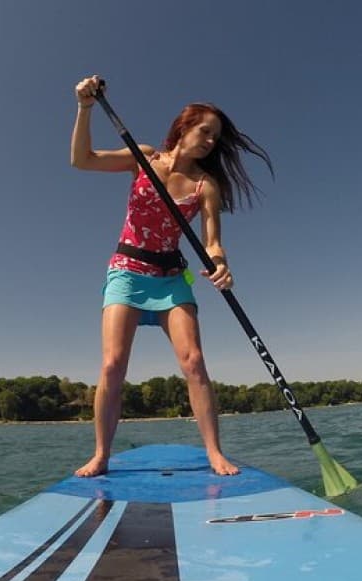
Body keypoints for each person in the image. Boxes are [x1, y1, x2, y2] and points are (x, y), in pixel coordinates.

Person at [70, 74, 272, 478]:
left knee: (194, 361)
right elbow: (83, 160)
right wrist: (85, 108)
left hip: (171, 276)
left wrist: (220, 263)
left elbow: (213, 242)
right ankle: (101, 455)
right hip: (126, 272)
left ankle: (215, 453)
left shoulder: (205, 185)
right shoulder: (143, 157)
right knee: (112, 365)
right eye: (205, 131)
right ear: (184, 127)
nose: (211, 141)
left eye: (215, 137)